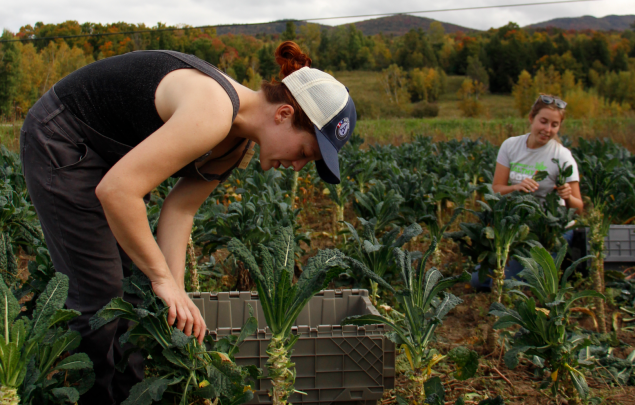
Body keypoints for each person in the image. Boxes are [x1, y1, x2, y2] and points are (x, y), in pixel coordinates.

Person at [20, 41, 356, 405]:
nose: (298, 165)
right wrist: (163, 279)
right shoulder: (213, 109)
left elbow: (179, 212)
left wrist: (175, 294)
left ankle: (131, 397)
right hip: (64, 137)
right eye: (306, 152)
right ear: (284, 113)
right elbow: (117, 191)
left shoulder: (235, 146)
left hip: (108, 158)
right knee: (100, 294)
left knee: (136, 292)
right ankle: (89, 396)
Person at [471, 94, 582, 289]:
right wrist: (516, 187)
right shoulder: (511, 146)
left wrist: (567, 196)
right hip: (520, 227)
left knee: (509, 284)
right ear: (531, 118)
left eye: (554, 125)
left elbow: (579, 207)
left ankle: (551, 267)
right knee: (477, 282)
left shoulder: (562, 156)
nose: (548, 129)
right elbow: (496, 189)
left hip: (553, 230)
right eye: (543, 121)